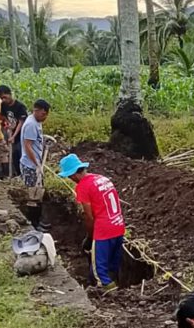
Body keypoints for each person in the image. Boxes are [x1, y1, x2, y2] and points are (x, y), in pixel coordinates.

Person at [58, 154, 125, 289]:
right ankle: (117, 286)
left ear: (74, 174)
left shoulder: (83, 186)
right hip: (118, 226)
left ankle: (109, 294)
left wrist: (90, 236)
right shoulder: (103, 179)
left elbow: (89, 216)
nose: (70, 179)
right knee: (113, 264)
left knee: (99, 272)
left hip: (103, 231)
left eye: (69, 177)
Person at [20, 99, 51, 230]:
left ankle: (38, 221)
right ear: (36, 111)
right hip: (31, 166)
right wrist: (37, 164)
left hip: (35, 164)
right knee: (33, 196)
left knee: (39, 194)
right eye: (43, 114)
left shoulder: (36, 122)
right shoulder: (31, 124)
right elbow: (27, 146)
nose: (45, 117)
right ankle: (34, 224)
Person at [0, 85, 28, 178]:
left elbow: (21, 122)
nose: (3, 100)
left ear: (10, 94)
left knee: (21, 154)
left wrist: (14, 136)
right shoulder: (3, 105)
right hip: (11, 133)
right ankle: (17, 174)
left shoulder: (20, 107)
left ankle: (24, 174)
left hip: (21, 135)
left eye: (5, 97)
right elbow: (3, 116)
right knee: (14, 155)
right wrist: (7, 124)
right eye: (1, 98)